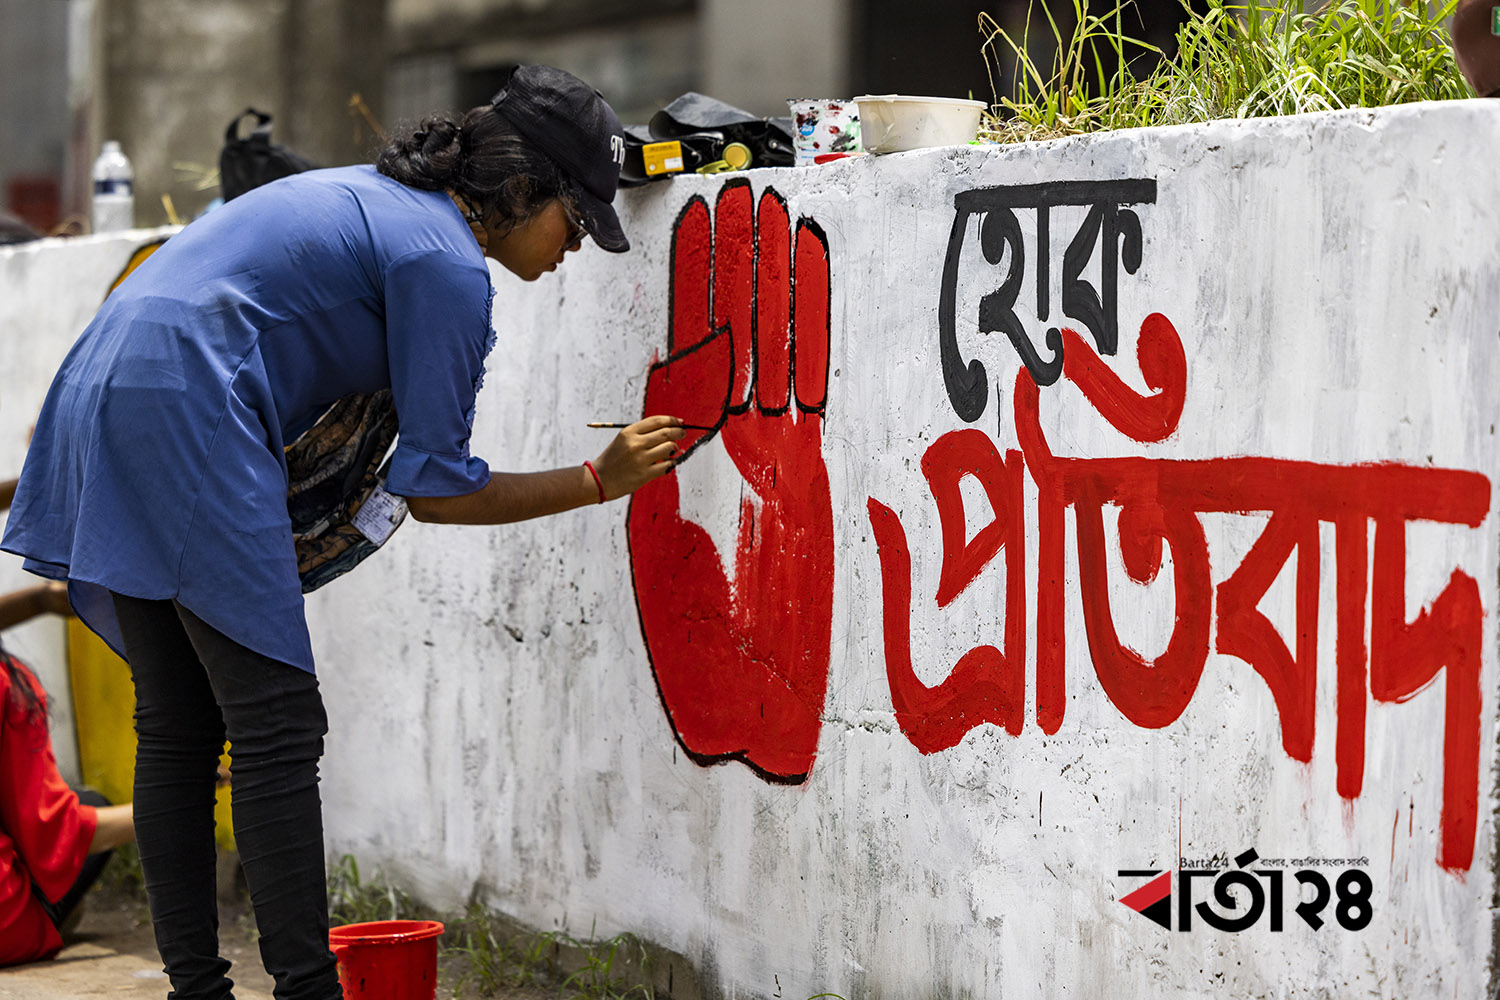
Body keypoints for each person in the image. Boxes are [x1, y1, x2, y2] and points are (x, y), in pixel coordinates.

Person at [1, 64, 681, 1000]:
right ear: (522, 189)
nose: (574, 250)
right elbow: (434, 488)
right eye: (575, 220)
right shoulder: (445, 264)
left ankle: (196, 990)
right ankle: (308, 990)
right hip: (190, 399)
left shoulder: (370, 199)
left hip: (102, 378)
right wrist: (600, 480)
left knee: (181, 720)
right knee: (277, 724)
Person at [0, 580, 136, 967]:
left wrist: (39, 600)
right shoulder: (7, 685)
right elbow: (52, 829)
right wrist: (180, 798)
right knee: (89, 804)